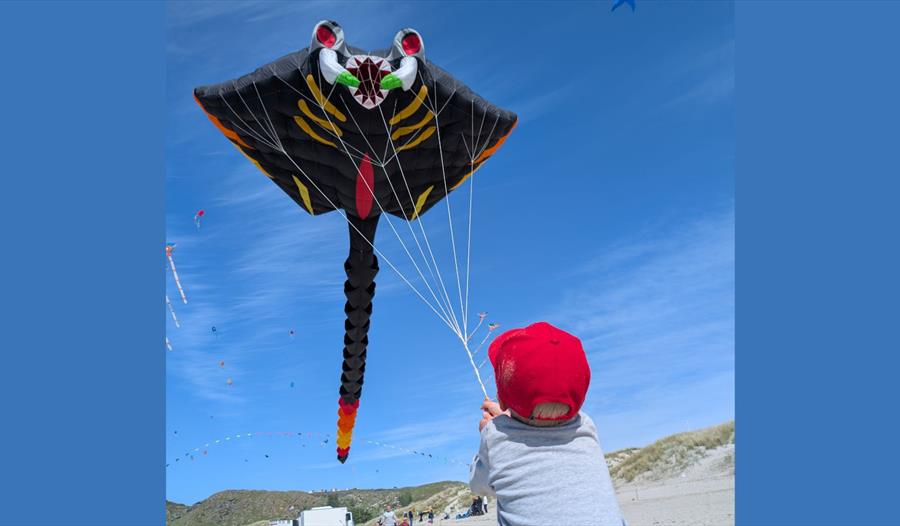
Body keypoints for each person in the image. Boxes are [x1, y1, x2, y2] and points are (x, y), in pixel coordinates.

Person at [468, 322, 627, 526]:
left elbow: (479, 486)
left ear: (503, 399)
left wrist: (488, 433)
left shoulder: (494, 436)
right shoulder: (586, 425)